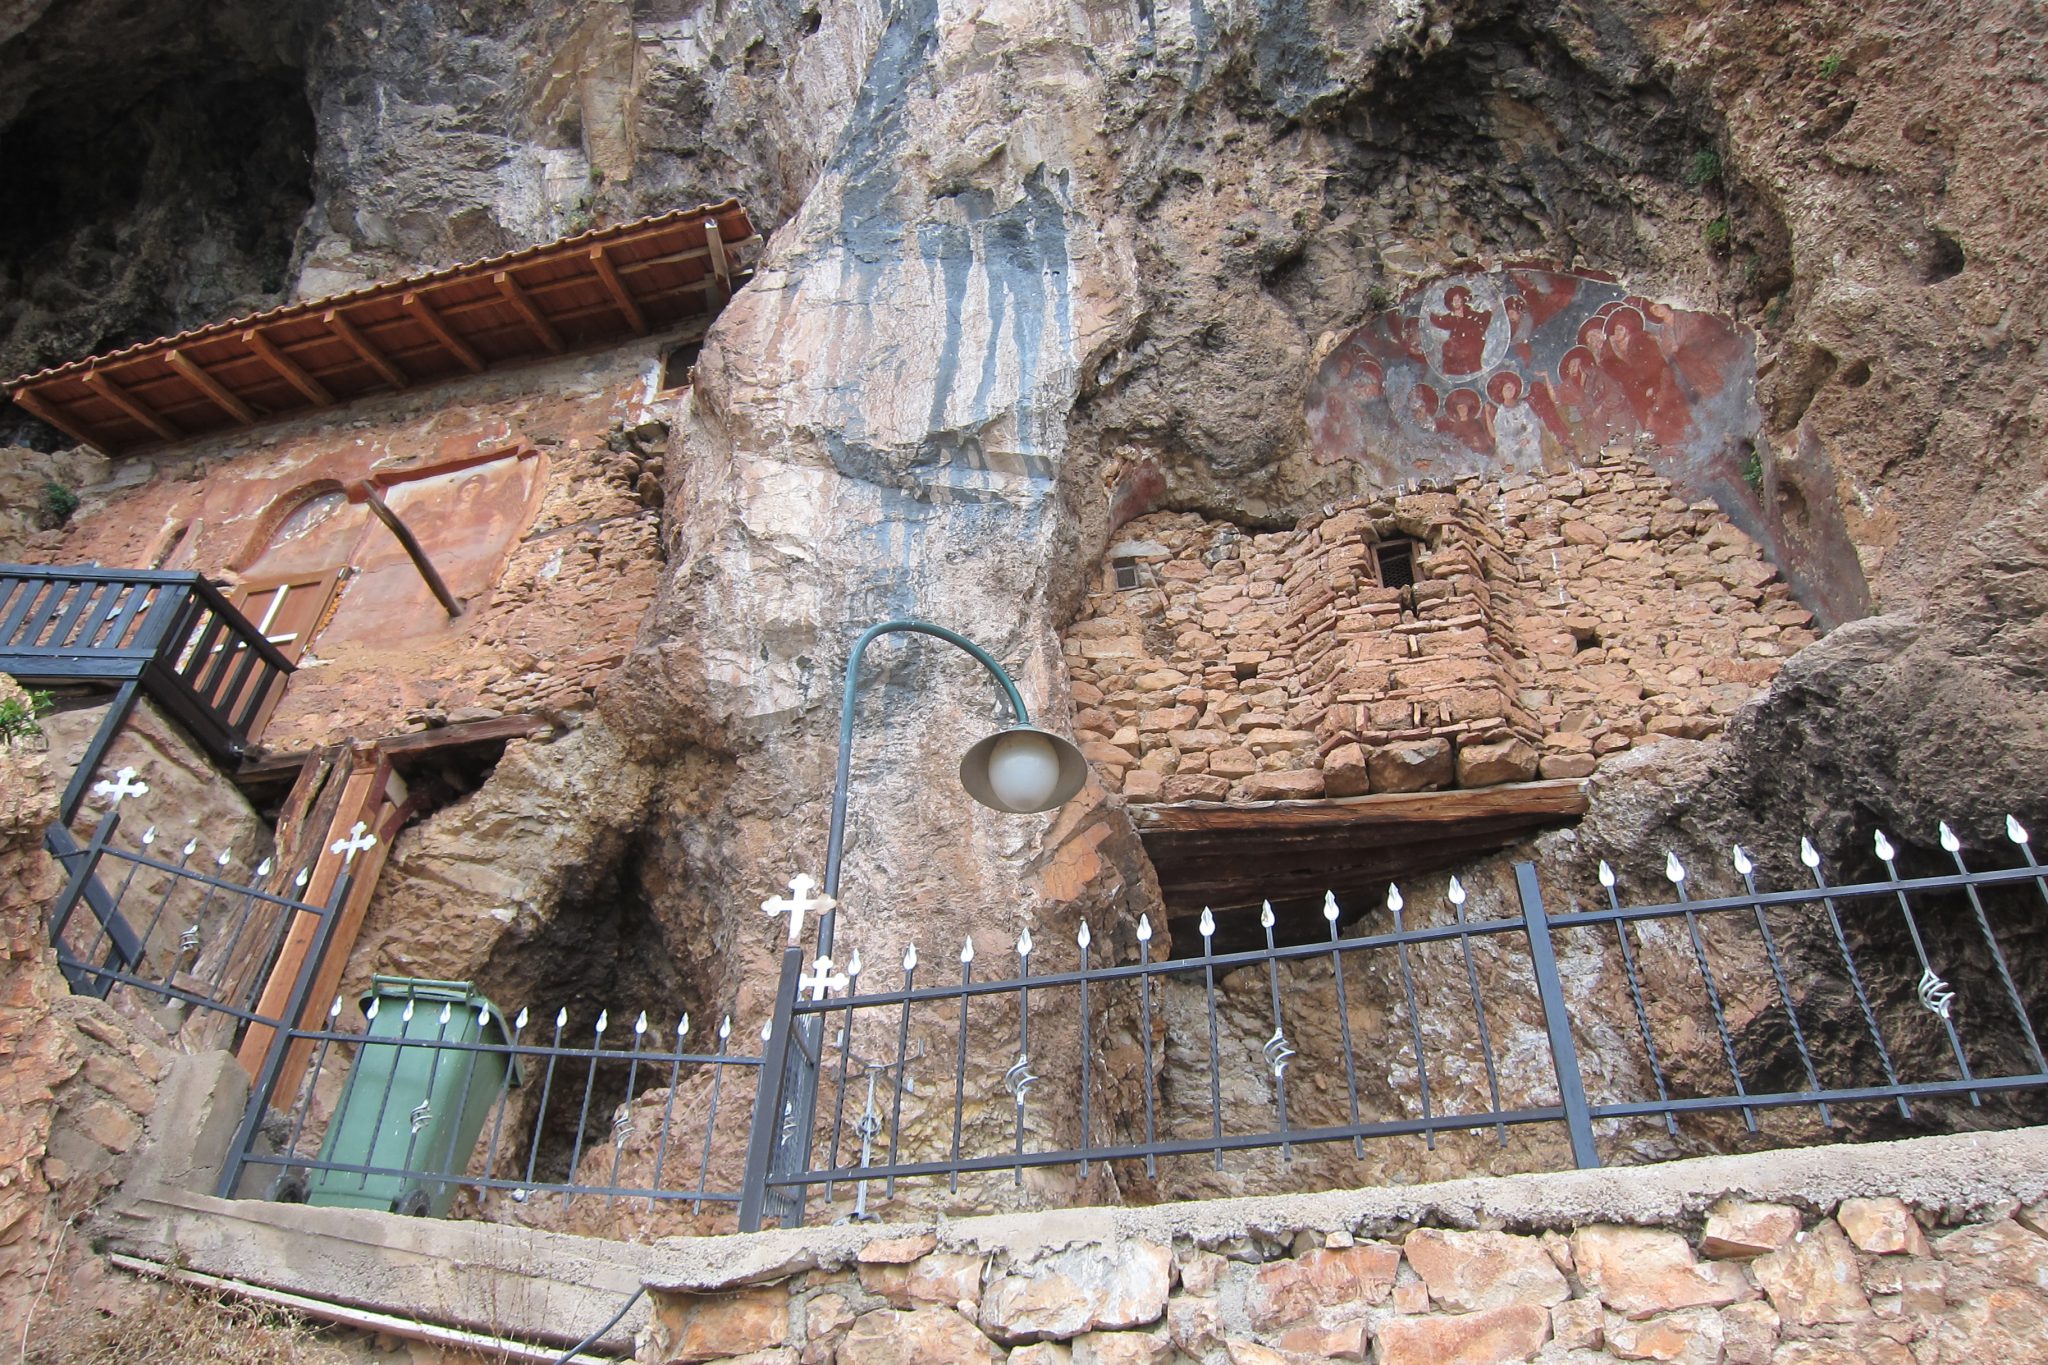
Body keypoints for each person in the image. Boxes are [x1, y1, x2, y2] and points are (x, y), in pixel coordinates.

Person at [1430, 285, 1493, 377]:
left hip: (1471, 351)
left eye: (1458, 299)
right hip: (1455, 351)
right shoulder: (1450, 318)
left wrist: (1489, 311)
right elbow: (1440, 322)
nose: (1456, 302)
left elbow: (1484, 319)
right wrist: (1430, 315)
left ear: (1463, 300)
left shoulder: (1472, 315)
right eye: (1453, 300)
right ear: (1450, 302)